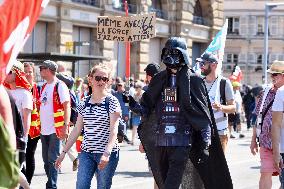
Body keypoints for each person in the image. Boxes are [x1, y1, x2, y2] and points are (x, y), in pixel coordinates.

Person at [126, 37, 232, 189]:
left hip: (183, 139)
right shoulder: (159, 79)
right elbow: (146, 109)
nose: (171, 56)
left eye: (175, 52)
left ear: (182, 55)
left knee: (172, 183)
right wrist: (132, 103)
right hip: (161, 140)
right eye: (168, 52)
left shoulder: (194, 81)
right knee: (163, 181)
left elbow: (203, 115)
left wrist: (205, 142)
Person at [55, 63, 121, 189]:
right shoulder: (84, 102)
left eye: (105, 79)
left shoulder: (112, 101)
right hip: (87, 153)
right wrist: (63, 152)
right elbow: (76, 130)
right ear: (90, 79)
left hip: (107, 153)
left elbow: (114, 130)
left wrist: (106, 154)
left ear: (108, 82)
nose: (101, 81)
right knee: (81, 186)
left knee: (103, 187)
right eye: (98, 78)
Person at [250, 60, 284, 189]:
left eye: (275, 74)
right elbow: (258, 117)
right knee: (265, 173)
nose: (272, 77)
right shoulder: (265, 92)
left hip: (282, 143)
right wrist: (254, 140)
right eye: (271, 74)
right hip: (265, 141)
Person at [39, 60, 71, 189]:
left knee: (52, 160)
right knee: (46, 161)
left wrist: (65, 125)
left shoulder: (60, 85)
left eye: (42, 68)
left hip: (55, 129)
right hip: (44, 130)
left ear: (49, 70)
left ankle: (52, 186)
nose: (40, 70)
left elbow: (66, 106)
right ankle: (50, 183)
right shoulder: (45, 86)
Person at [198, 52, 235, 152]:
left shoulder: (224, 83)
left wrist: (221, 107)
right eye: (199, 64)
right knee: (203, 166)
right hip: (202, 133)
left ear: (213, 65)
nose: (200, 67)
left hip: (220, 133)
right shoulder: (199, 82)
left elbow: (233, 108)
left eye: (203, 64)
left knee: (218, 167)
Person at [21, 62, 41, 185]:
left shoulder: (37, 88)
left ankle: (27, 183)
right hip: (20, 128)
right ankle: (22, 182)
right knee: (19, 156)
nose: (28, 74)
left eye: (30, 72)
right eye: (26, 72)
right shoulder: (19, 87)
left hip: (34, 128)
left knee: (29, 155)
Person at [270, 61, 284, 189]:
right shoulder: (281, 92)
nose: (272, 77)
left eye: (275, 74)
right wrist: (276, 152)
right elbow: (276, 124)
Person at [130, 80, 144, 145]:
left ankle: (142, 141)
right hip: (136, 113)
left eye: (138, 87)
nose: (137, 88)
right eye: (136, 87)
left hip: (142, 113)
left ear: (141, 87)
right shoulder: (135, 94)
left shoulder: (144, 94)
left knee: (142, 128)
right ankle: (132, 140)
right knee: (134, 127)